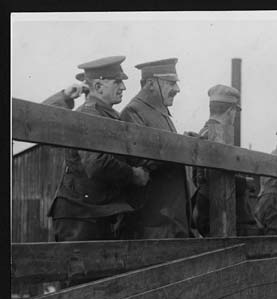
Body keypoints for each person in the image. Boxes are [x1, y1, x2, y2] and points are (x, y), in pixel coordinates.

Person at [47, 56, 150, 241]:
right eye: (117, 82)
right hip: (80, 216)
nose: (124, 87)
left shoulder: (107, 116)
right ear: (98, 87)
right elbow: (97, 163)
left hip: (95, 212)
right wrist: (134, 175)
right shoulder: (89, 114)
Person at [119, 58, 192, 239]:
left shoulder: (160, 112)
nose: (177, 89)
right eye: (171, 83)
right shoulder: (133, 112)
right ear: (151, 84)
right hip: (154, 224)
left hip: (172, 222)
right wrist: (182, 146)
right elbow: (141, 160)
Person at [187, 84, 257, 236]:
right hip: (218, 212)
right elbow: (216, 179)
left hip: (207, 208)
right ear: (231, 111)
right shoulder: (216, 137)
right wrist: (245, 182)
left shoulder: (203, 133)